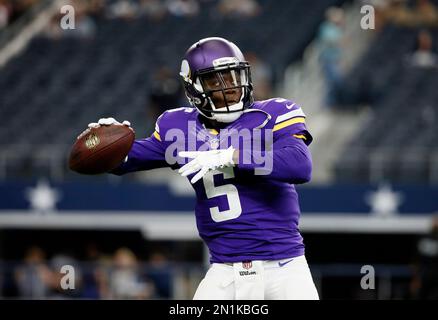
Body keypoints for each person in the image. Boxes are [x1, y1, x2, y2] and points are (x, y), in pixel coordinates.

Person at [80, 37, 319, 299]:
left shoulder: (272, 114)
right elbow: (123, 162)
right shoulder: (179, 127)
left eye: (232, 76)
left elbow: (300, 165)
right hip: (225, 270)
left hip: (284, 267)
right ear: (193, 88)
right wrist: (103, 141)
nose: (229, 87)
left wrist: (233, 155)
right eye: (216, 81)